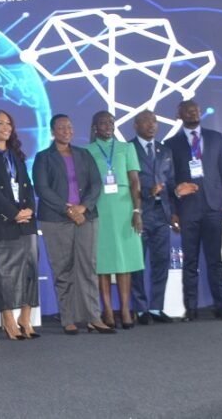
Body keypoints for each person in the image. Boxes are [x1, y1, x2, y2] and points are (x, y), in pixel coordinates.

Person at [33, 114, 114, 334]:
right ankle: (68, 318)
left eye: (69, 126)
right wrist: (68, 209)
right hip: (56, 220)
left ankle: (93, 317)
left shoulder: (84, 154)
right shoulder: (43, 158)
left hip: (86, 218)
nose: (66, 131)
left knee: (88, 268)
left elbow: (96, 184)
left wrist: (83, 208)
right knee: (63, 269)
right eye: (61, 127)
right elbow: (42, 189)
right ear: (52, 131)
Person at [165, 99, 222, 321]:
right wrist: (174, 210)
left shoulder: (216, 137)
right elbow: (170, 179)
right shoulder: (171, 143)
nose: (192, 112)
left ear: (200, 112)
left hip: (214, 206)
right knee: (191, 261)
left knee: (215, 260)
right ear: (180, 114)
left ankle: (221, 305)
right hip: (188, 210)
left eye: (195, 109)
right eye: (187, 110)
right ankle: (191, 308)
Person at [0, 109, 40, 340]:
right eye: (0, 123)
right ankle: (8, 320)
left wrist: (30, 210)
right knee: (4, 273)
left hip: (26, 221)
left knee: (31, 269)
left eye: (9, 123)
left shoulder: (16, 153)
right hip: (4, 222)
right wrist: (13, 213)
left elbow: (27, 185)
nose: (6, 127)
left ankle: (26, 317)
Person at [86, 111, 144, 329]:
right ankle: (108, 311)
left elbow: (135, 181)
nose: (107, 125)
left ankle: (126, 310)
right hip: (99, 207)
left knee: (124, 261)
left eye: (110, 122)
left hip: (124, 207)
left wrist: (137, 211)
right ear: (94, 127)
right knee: (103, 263)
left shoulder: (126, 148)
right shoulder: (87, 151)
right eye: (102, 122)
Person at [130, 111, 189, 324]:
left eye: (154, 121)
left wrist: (174, 210)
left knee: (161, 262)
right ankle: (140, 309)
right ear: (136, 125)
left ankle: (156, 307)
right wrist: (147, 192)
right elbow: (127, 184)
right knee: (138, 264)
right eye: (146, 121)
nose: (151, 125)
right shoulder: (128, 149)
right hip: (139, 214)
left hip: (162, 214)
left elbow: (171, 183)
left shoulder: (164, 150)